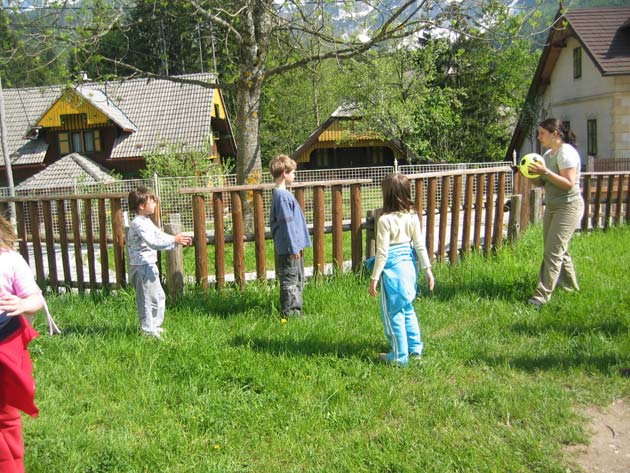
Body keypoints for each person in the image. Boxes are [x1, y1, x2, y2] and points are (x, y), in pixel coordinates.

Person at [368, 173, 435, 365]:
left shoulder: (385, 220)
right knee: (407, 308)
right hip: (409, 268)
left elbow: (382, 253)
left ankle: (399, 356)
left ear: (387, 195)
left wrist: (374, 279)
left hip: (392, 272)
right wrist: (428, 270)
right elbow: (419, 246)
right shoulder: (412, 217)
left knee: (393, 314)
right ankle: (415, 349)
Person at [0, 215, 46, 473]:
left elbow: (36, 299)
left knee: (6, 414)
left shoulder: (10, 261)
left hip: (5, 346)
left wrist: (22, 304)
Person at [525, 118, 584, 307]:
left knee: (553, 252)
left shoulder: (566, 153)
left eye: (542, 133)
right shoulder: (548, 154)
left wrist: (545, 172)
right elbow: (543, 182)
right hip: (552, 206)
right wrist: (530, 174)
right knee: (558, 249)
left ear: (555, 134)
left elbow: (568, 183)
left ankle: (541, 296)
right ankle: (570, 288)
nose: (539, 137)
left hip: (568, 207)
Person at [127, 187, 192, 338]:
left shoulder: (146, 221)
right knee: (147, 299)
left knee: (158, 296)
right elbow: (153, 242)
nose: (155, 204)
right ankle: (148, 330)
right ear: (141, 205)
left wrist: (176, 239)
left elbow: (159, 235)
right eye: (152, 201)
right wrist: (174, 240)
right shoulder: (138, 223)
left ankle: (154, 326)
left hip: (149, 265)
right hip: (141, 267)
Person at [269, 155, 312, 318]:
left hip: (292, 248)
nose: (294, 175)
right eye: (293, 172)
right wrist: (293, 247)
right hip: (289, 250)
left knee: (297, 278)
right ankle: (291, 314)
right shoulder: (282, 197)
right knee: (290, 281)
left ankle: (296, 311)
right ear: (284, 173)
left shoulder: (283, 195)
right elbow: (287, 224)